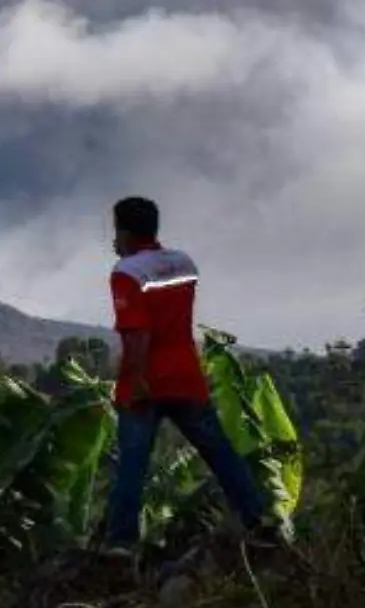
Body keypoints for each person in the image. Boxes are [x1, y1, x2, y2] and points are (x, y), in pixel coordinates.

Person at [100, 196, 276, 557]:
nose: (113, 239)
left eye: (115, 230)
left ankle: (120, 544)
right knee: (221, 454)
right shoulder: (184, 263)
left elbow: (137, 336)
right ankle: (258, 521)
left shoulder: (126, 273)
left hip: (147, 381)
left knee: (132, 465)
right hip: (186, 377)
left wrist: (133, 382)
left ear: (126, 232)